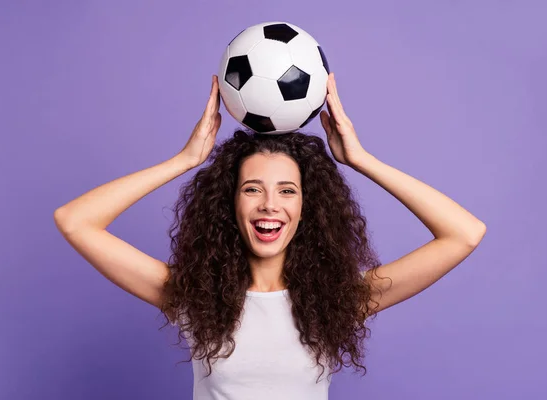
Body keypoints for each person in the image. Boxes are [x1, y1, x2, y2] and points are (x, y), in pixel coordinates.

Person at [54, 73, 486, 399]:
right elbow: (75, 220)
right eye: (252, 189)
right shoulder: (193, 297)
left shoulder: (338, 300)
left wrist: (360, 159)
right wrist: (184, 160)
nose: (269, 205)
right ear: (230, 204)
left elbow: (463, 233)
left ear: (306, 208)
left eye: (287, 191)